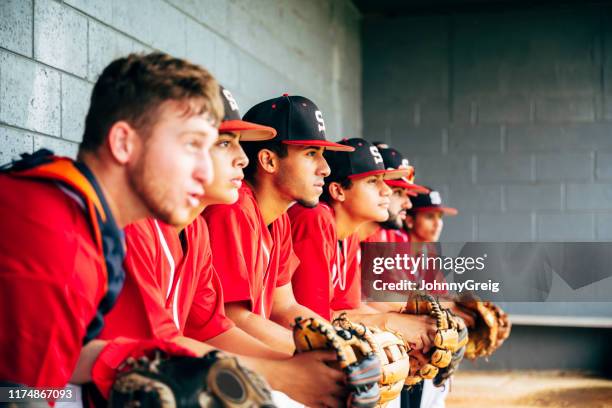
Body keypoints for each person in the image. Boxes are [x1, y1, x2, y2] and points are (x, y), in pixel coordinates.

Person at [98, 87, 345, 407]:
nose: (242, 158)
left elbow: (214, 328)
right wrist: (284, 373)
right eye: (225, 143)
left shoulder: (197, 227)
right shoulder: (136, 224)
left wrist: (301, 365)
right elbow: (154, 347)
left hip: (162, 379)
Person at [0, 52, 223, 389]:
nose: (206, 172)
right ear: (123, 143)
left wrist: (132, 361)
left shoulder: (83, 216)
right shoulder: (60, 241)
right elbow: (20, 396)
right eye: (192, 144)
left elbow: (60, 360)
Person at [203, 93, 354, 406]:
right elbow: (234, 318)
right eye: (312, 153)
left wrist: (340, 345)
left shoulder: (280, 219)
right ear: (269, 161)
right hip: (217, 366)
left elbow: (285, 307)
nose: (326, 169)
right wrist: (314, 360)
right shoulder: (233, 209)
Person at [288, 138, 439, 355]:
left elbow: (347, 309)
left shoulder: (348, 234)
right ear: (338, 191)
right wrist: (390, 323)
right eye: (372, 181)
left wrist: (403, 322)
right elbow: (314, 321)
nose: (386, 191)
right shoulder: (315, 218)